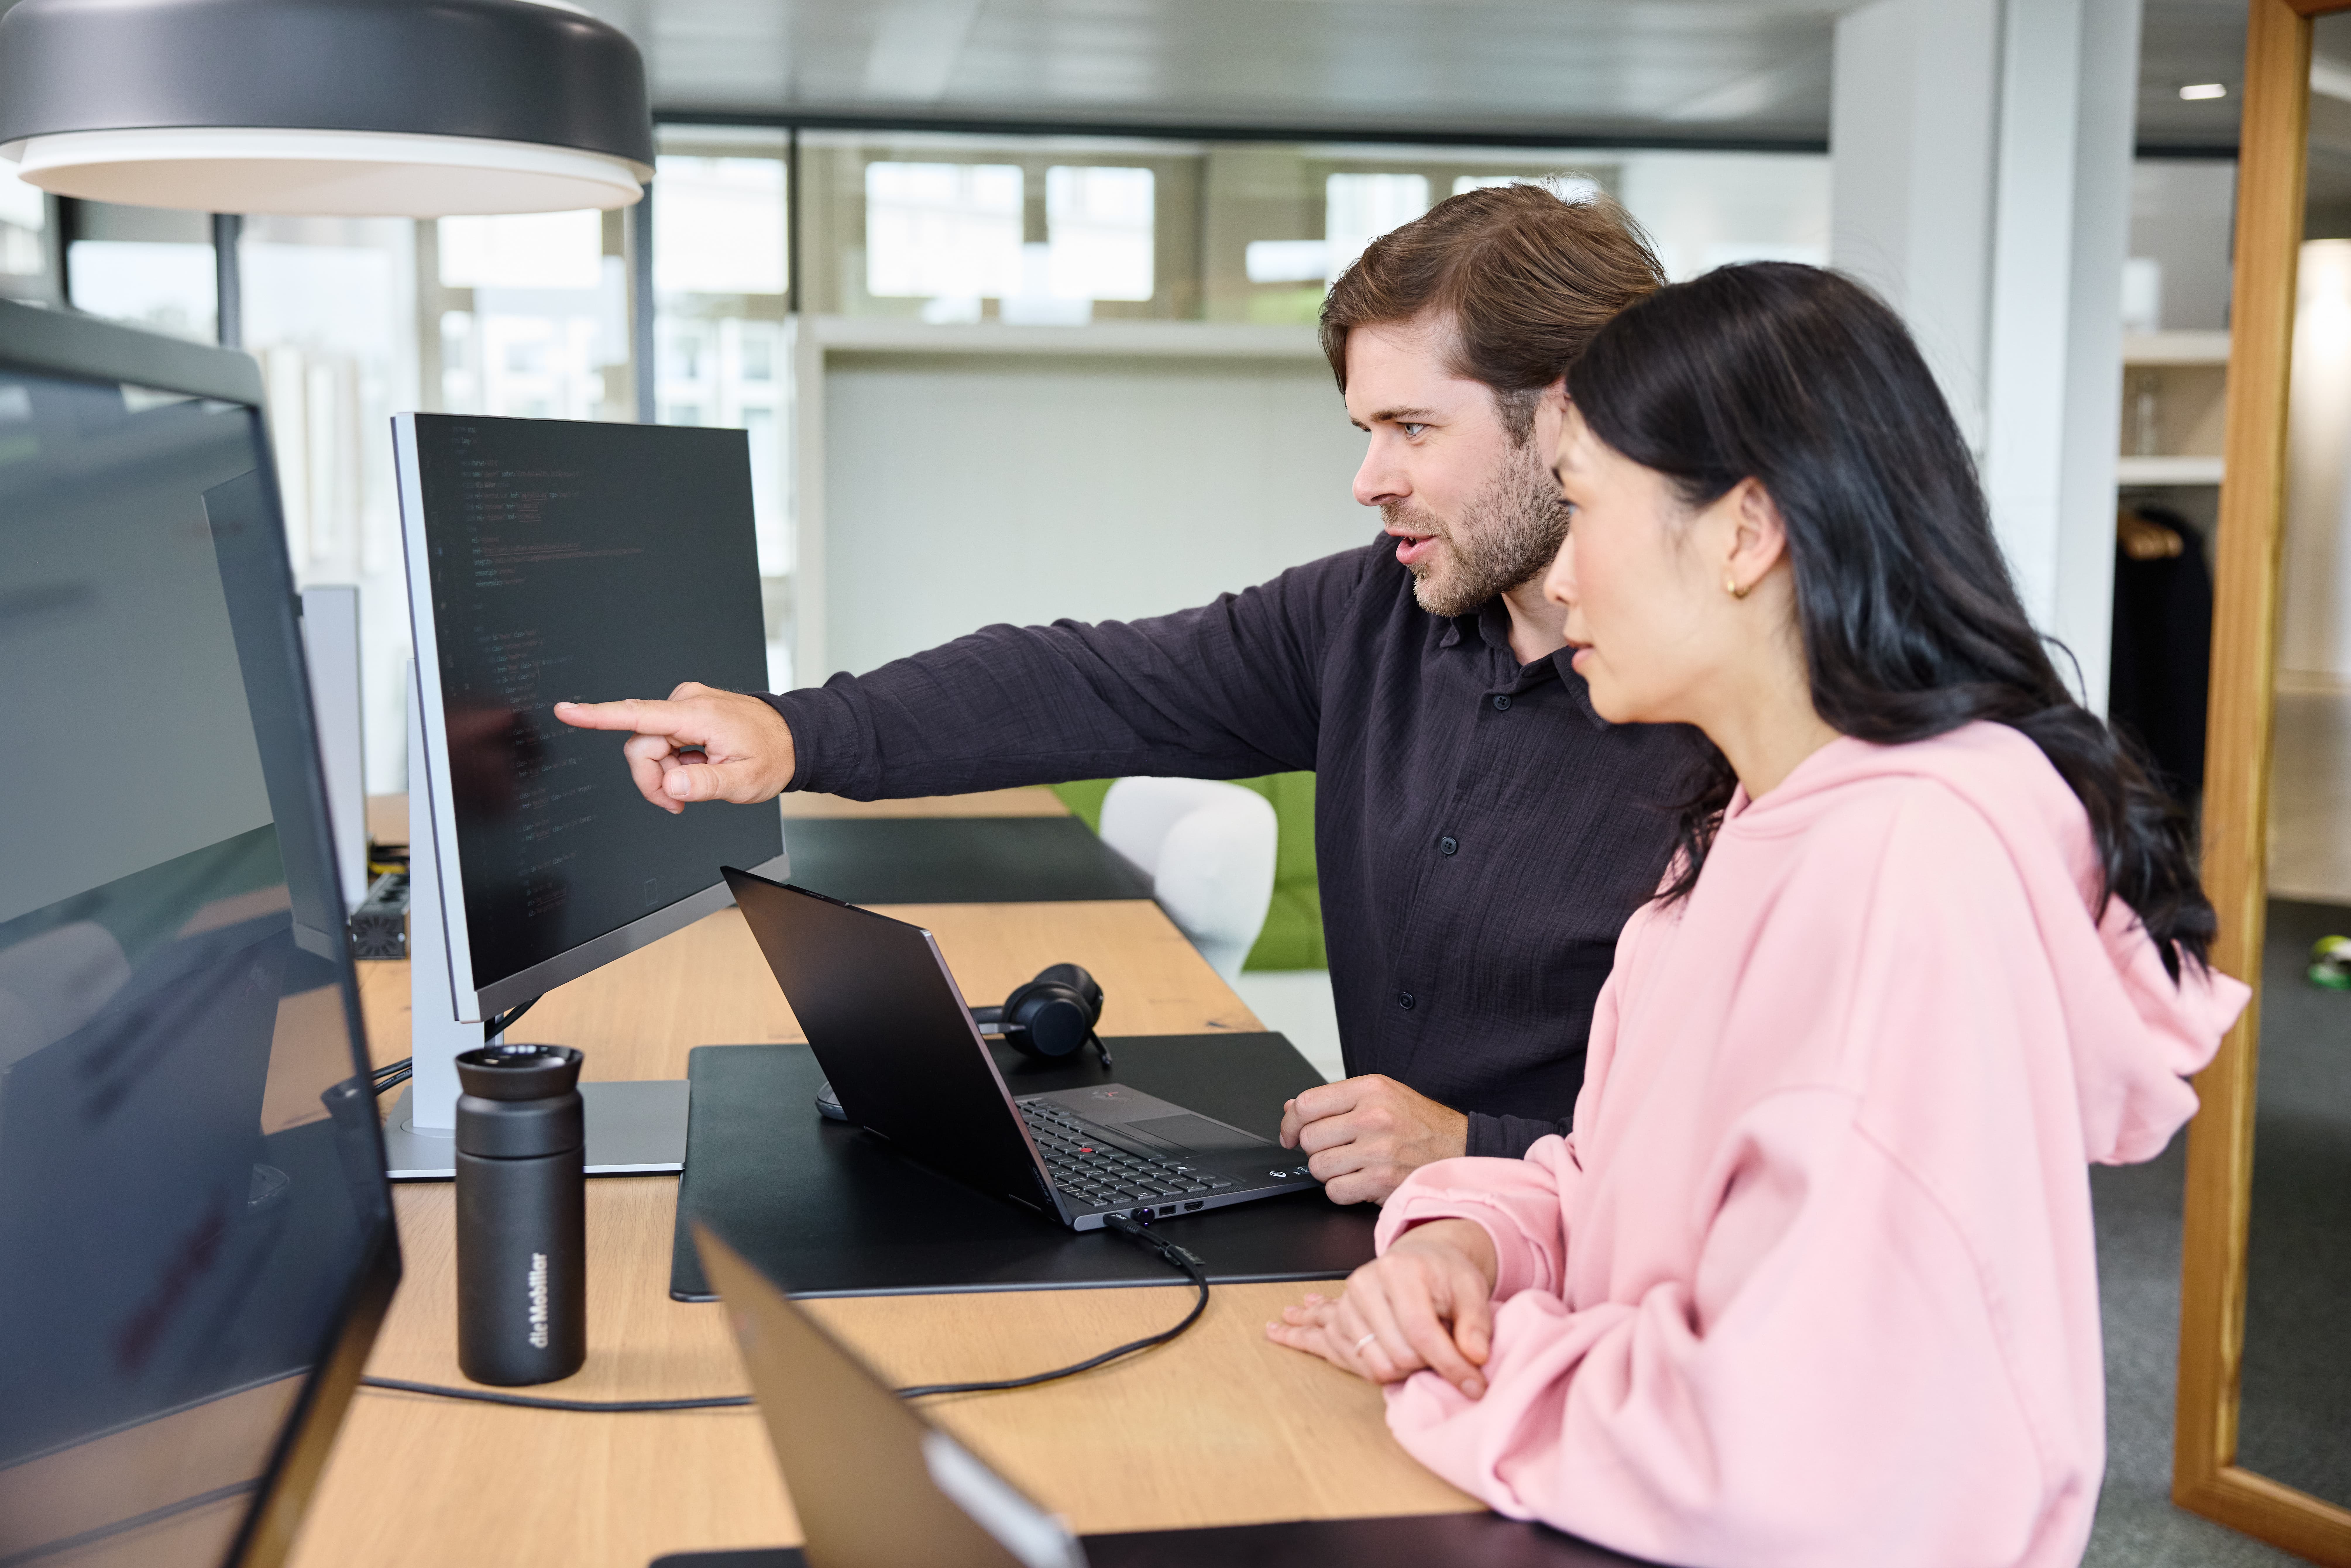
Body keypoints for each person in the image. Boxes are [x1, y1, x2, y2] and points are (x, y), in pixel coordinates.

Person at [1264, 263, 2247, 1566]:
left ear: (1742, 532)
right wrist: (1470, 1245)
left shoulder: (1902, 875)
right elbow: (1624, 1185)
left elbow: (1771, 1452)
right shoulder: (1746, 823)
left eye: (1580, 508)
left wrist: (1484, 1357)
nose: (1559, 587)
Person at [555, 184, 1708, 1203]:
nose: (1368, 481)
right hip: (1393, 1261)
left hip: (1596, 1290)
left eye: (1412, 428)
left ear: (1568, 415)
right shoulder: (1369, 613)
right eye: (1364, 429)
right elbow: (1083, 681)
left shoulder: (1746, 725)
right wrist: (792, 730)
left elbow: (1792, 1153)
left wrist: (1481, 1147)